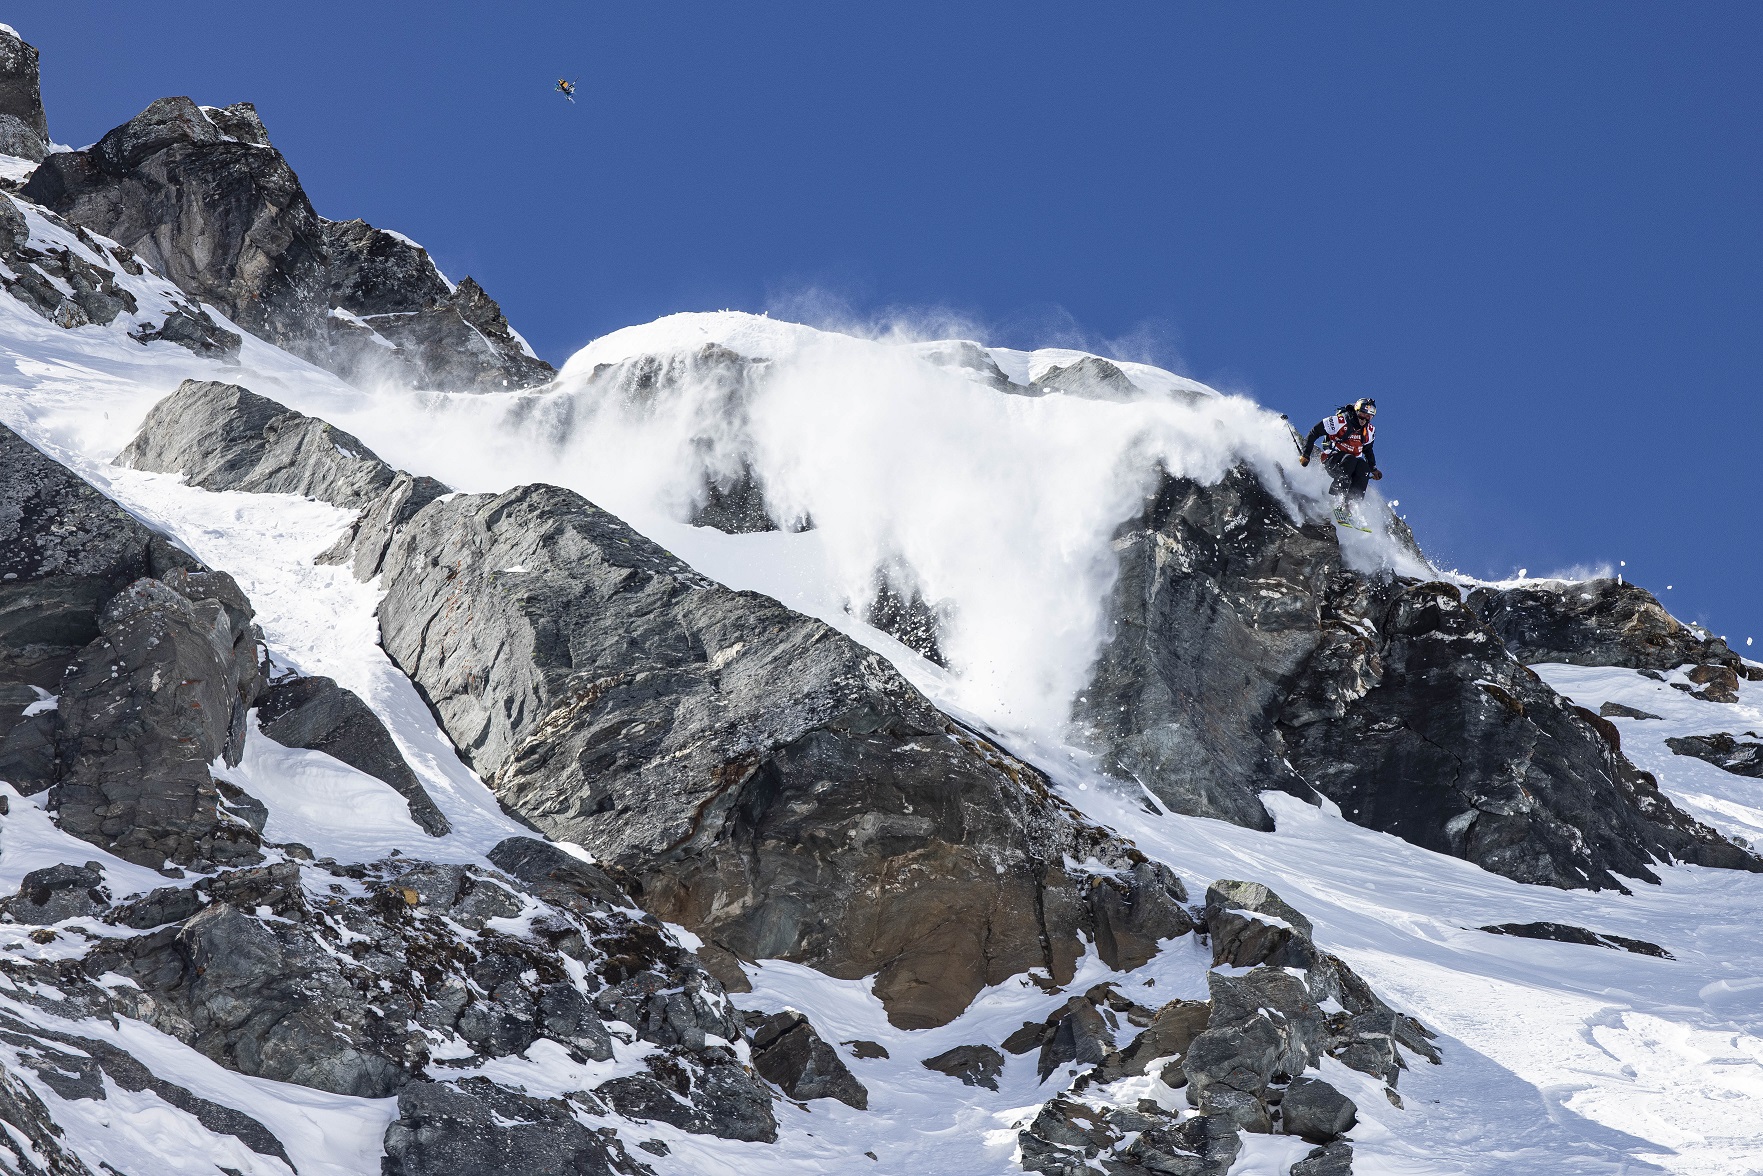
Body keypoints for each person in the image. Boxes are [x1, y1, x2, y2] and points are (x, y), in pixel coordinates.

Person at [1299, 398, 1381, 511]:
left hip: (1352, 466)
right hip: (1333, 459)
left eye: (1368, 417)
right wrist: (1306, 454)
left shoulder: (1369, 431)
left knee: (1363, 467)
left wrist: (1373, 469)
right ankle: (1335, 497)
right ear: (1356, 411)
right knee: (1350, 459)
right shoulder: (1340, 422)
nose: (1364, 419)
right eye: (1362, 415)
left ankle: (1351, 505)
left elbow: (1368, 450)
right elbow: (1314, 432)